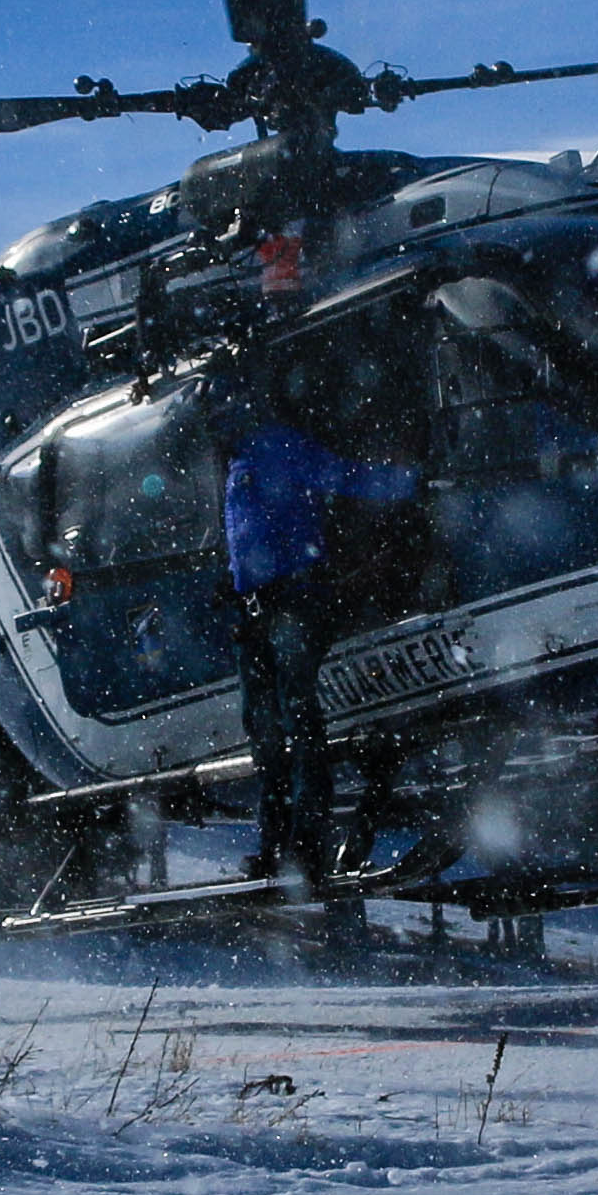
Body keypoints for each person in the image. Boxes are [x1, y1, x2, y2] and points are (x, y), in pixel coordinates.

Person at [222, 366, 416, 893]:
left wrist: (408, 483)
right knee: (266, 729)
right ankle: (275, 843)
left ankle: (303, 849)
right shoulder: (240, 460)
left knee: (294, 722)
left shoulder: (276, 446)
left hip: (292, 602)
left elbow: (342, 477)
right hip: (258, 610)